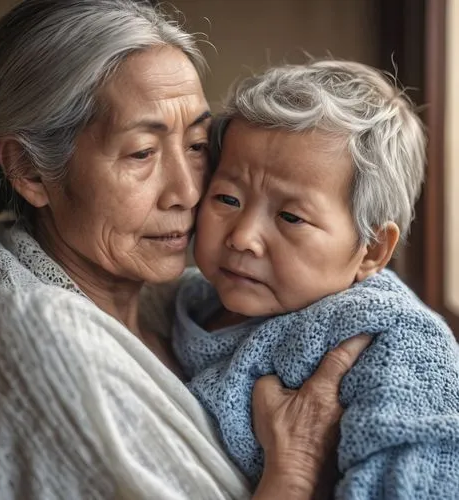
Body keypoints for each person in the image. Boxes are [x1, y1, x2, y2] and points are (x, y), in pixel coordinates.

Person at [0, 1, 372, 498]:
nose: (189, 191)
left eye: (197, 145)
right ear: (29, 170)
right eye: (142, 153)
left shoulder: (186, 305)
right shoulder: (48, 344)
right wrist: (297, 471)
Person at [172, 61, 459, 498]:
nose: (243, 237)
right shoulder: (185, 299)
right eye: (227, 198)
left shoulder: (391, 340)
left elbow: (419, 480)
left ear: (372, 249)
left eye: (291, 216)